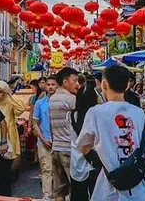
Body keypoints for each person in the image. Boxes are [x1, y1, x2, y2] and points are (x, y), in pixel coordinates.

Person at [76, 65, 145, 201]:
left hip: (107, 187)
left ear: (104, 84)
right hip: (137, 188)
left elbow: (84, 147)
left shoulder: (95, 113)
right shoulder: (141, 115)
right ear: (127, 85)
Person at [48, 67, 79, 201]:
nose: (77, 84)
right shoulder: (71, 99)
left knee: (59, 190)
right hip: (68, 149)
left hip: (56, 148)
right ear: (65, 82)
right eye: (75, 81)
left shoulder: (52, 98)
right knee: (77, 188)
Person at [69, 79, 101, 201]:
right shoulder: (98, 116)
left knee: (78, 196)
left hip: (77, 162)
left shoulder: (70, 116)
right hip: (95, 161)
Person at [0, 81, 25, 189]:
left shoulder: (9, 102)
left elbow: (21, 109)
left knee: (9, 160)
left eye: (0, 91)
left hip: (9, 134)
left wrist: (10, 95)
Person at [31, 75, 57, 201]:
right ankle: (47, 194)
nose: (50, 87)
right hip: (43, 141)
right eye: (48, 84)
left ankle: (60, 195)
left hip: (60, 142)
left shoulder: (63, 103)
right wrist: (42, 139)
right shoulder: (39, 103)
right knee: (46, 169)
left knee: (59, 170)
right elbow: (35, 123)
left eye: (53, 84)